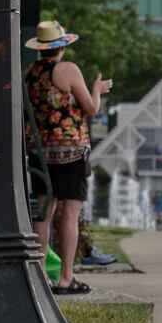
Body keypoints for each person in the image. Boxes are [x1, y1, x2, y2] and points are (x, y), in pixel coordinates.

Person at [24, 19, 111, 295]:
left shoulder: (29, 73)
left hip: (40, 151)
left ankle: (39, 278)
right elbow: (91, 110)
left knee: (44, 214)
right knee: (71, 213)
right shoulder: (68, 69)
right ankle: (66, 278)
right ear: (61, 47)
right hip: (72, 152)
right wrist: (97, 89)